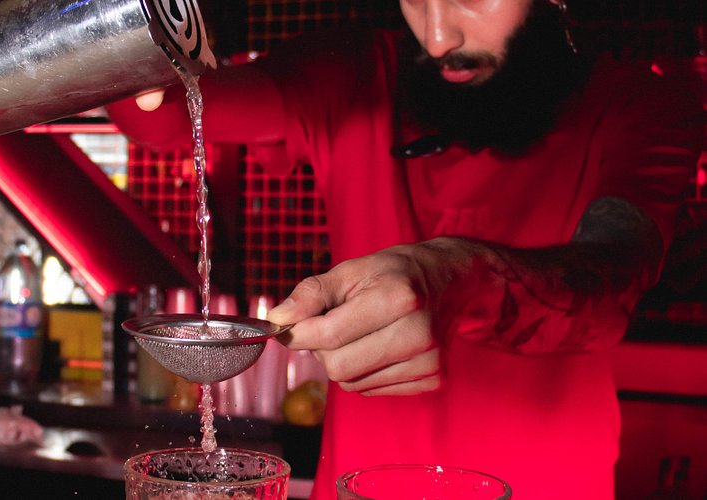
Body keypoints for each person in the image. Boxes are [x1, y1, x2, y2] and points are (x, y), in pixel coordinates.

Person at [108, 0, 703, 498]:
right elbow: (156, 117)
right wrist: (126, 34)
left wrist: (458, 278)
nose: (438, 34)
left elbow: (613, 272)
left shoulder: (641, 107)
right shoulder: (354, 77)